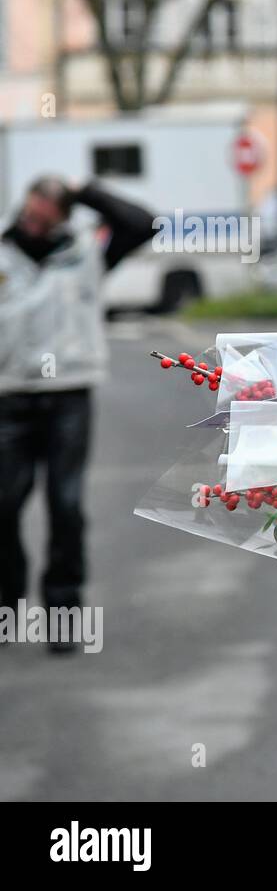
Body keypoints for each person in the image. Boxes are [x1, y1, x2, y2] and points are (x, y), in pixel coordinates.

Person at [0, 176, 160, 652]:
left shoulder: (87, 253)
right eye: (30, 212)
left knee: (65, 506)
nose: (33, 222)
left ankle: (64, 614)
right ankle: (7, 606)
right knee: (3, 507)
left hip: (68, 395)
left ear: (62, 218)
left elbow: (143, 224)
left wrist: (85, 189)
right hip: (9, 397)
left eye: (45, 216)